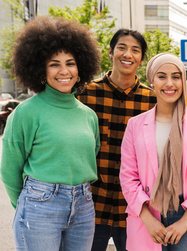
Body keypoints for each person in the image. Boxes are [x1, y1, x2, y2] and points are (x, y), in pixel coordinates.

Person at [0, 16, 101, 250]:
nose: (64, 71)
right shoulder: (26, 112)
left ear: (81, 67)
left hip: (84, 205)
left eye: (71, 63)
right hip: (40, 205)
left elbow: (89, 154)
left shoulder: (88, 115)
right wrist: (29, 205)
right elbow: (9, 170)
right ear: (40, 69)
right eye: (54, 63)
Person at [119, 53, 187, 251]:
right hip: (148, 212)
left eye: (176, 76)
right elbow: (128, 177)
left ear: (183, 80)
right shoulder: (135, 125)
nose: (170, 83)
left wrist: (184, 221)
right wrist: (147, 219)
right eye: (162, 76)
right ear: (152, 81)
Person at [77, 28, 156, 251]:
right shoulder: (85, 94)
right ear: (110, 52)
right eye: (122, 48)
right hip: (91, 206)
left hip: (134, 208)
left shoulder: (153, 100)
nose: (127, 54)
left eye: (135, 50)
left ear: (142, 59)